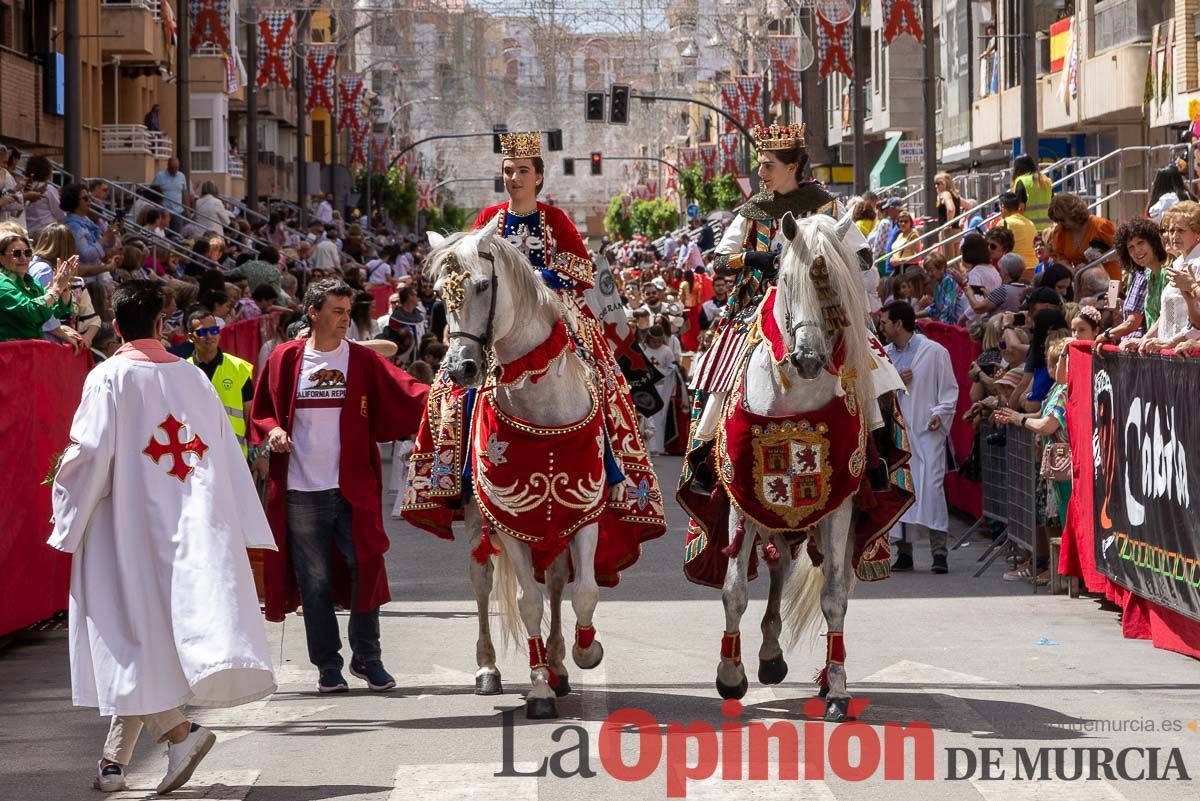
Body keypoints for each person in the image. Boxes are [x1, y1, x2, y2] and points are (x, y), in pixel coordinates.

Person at [49, 281, 276, 795]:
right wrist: (234, 522)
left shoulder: (108, 377)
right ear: (161, 324)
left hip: (123, 528)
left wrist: (65, 511)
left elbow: (87, 455)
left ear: (113, 321)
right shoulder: (194, 377)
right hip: (190, 527)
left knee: (120, 636)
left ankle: (179, 733)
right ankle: (117, 759)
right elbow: (221, 448)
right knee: (143, 640)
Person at [404, 130, 667, 566]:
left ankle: (613, 465)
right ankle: (459, 472)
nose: (514, 178)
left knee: (600, 374)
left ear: (539, 177)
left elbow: (584, 268)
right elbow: (468, 267)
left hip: (553, 310)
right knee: (456, 386)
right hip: (499, 317)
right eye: (508, 171)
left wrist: (543, 274)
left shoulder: (555, 219)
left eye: (522, 171)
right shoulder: (488, 216)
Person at [251, 278, 429, 693]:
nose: (345, 319)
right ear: (312, 313)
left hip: (353, 487)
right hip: (299, 489)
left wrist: (452, 396)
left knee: (365, 567)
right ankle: (328, 666)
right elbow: (262, 411)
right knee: (314, 581)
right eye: (336, 311)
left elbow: (408, 393)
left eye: (348, 312)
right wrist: (274, 430)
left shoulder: (362, 361)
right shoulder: (285, 359)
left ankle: (368, 658)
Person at [880, 301, 958, 574]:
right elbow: (874, 393)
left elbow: (949, 390)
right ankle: (904, 553)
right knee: (900, 490)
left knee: (932, 489)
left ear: (898, 324)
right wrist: (894, 382)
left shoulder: (935, 352)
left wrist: (940, 413)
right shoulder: (884, 356)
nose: (882, 327)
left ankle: (939, 553)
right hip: (898, 436)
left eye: (885, 322)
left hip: (927, 434)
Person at [991, 338, 1071, 584]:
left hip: (1063, 464)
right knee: (1051, 516)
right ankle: (1057, 568)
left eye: (1055, 363)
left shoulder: (1065, 390)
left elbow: (1048, 424)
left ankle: (1063, 571)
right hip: (1052, 464)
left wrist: (1020, 420)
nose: (1050, 369)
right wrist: (1018, 416)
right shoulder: (1056, 389)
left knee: (1060, 517)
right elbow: (1041, 414)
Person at [1124, 201, 1200, 353]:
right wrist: (1145, 340)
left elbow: (1197, 323)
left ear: (1197, 233)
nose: (1173, 236)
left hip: (1188, 354)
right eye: (1171, 231)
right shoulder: (1177, 263)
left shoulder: (1197, 263)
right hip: (1170, 351)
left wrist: (1169, 343)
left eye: (1180, 230)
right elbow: (1165, 315)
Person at [186, 308, 257, 461]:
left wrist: (256, 451)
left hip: (233, 455)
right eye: (203, 332)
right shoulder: (182, 371)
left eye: (214, 330)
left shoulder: (239, 368)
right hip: (197, 456)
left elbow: (250, 413)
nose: (210, 336)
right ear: (191, 337)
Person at [1097, 218, 1168, 344]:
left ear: (1153, 242)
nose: (1137, 251)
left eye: (1141, 243)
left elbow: (1165, 316)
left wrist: (1108, 334)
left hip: (1160, 345)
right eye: (1131, 247)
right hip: (1149, 346)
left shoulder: (1167, 272)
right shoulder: (1149, 274)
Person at [29, 223, 100, 349]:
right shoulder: (44, 270)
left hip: (63, 342)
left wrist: (86, 338)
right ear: (70, 247)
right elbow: (46, 314)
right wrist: (66, 336)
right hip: (50, 343)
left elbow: (91, 318)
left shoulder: (76, 282)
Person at [0, 230, 77, 343]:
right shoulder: (2, 283)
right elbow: (31, 311)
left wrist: (64, 288)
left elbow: (56, 310)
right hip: (9, 354)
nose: (23, 258)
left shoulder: (31, 282)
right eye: (16, 254)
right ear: (1, 258)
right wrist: (56, 289)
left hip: (30, 350)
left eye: (27, 253)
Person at [1046, 193, 1118, 278]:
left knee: (1113, 292)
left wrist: (1097, 260)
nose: (1060, 223)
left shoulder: (1100, 226)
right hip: (1083, 281)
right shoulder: (1060, 232)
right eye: (1056, 220)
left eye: (1062, 219)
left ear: (1073, 213)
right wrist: (1075, 271)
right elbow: (1062, 260)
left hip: (1111, 278)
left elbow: (1118, 252)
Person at [964, 253, 1027, 321]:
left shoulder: (1003, 290)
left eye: (1000, 270)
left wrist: (970, 294)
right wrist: (990, 296)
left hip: (997, 328)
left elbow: (978, 309)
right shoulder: (1025, 288)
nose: (999, 273)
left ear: (1006, 273)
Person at [995, 191, 1038, 278]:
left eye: (1000, 207)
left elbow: (995, 247)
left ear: (1003, 207)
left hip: (1015, 270)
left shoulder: (1004, 223)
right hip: (1034, 268)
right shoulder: (1030, 223)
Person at [22, 155, 65, 239]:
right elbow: (60, 213)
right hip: (45, 234)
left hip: (27, 233)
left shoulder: (23, 188)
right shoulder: (49, 189)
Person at [1011, 153, 1053, 233]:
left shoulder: (1021, 181)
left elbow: (1020, 208)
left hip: (1029, 230)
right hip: (1047, 230)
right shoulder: (1046, 180)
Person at [919, 252, 964, 324]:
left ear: (942, 268)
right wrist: (915, 315)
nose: (929, 274)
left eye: (931, 270)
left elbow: (948, 308)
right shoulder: (937, 283)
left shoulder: (949, 280)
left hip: (956, 323)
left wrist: (939, 325)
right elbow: (934, 307)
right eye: (927, 271)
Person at [152, 157, 191, 233]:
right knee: (164, 234)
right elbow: (154, 192)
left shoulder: (181, 176)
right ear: (168, 166)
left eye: (176, 168)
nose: (174, 170)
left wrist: (187, 209)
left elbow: (184, 193)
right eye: (172, 168)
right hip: (164, 212)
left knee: (177, 235)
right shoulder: (160, 176)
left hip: (178, 212)